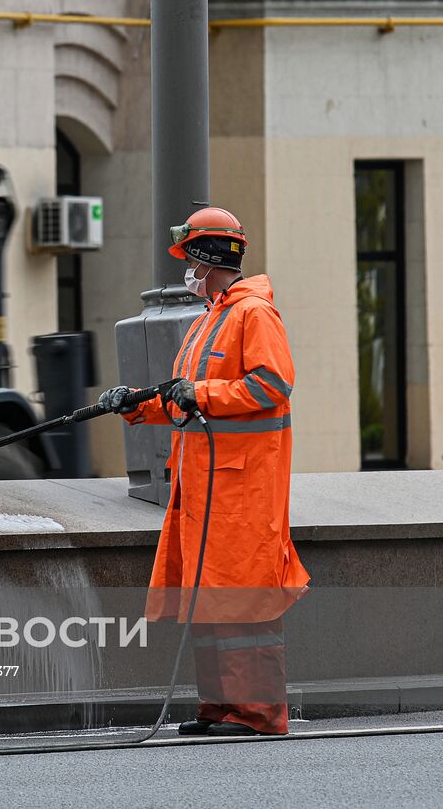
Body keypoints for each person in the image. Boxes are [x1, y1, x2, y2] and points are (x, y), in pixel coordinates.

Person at [98, 206, 310, 737]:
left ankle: (256, 714)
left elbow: (271, 386)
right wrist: (136, 405)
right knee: (212, 601)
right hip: (208, 490)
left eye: (190, 262)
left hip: (243, 494)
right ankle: (220, 709)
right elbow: (184, 403)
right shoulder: (212, 318)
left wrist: (202, 393)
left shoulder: (252, 313)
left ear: (210, 259)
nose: (186, 273)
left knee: (242, 606)